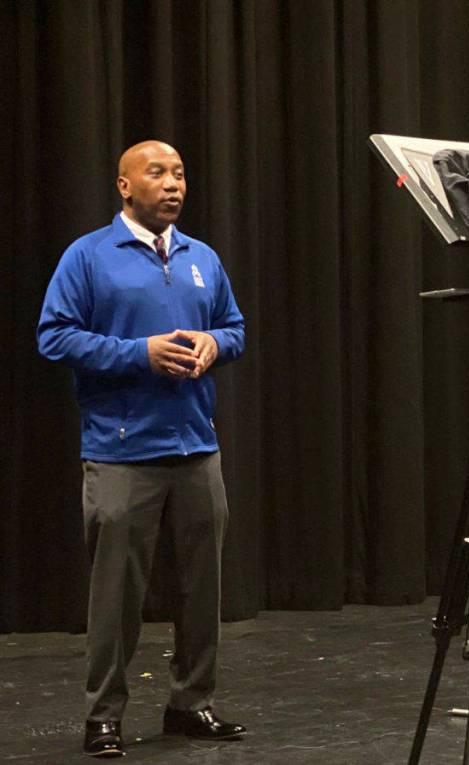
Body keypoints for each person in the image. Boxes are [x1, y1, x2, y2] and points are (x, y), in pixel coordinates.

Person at [38, 141, 247, 757]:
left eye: (180, 173)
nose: (173, 183)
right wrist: (140, 353)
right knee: (116, 598)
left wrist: (215, 343)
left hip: (197, 449)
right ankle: (103, 716)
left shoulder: (201, 256)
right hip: (122, 453)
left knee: (201, 591)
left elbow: (234, 327)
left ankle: (191, 703)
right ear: (125, 186)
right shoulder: (88, 256)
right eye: (157, 173)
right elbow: (55, 336)